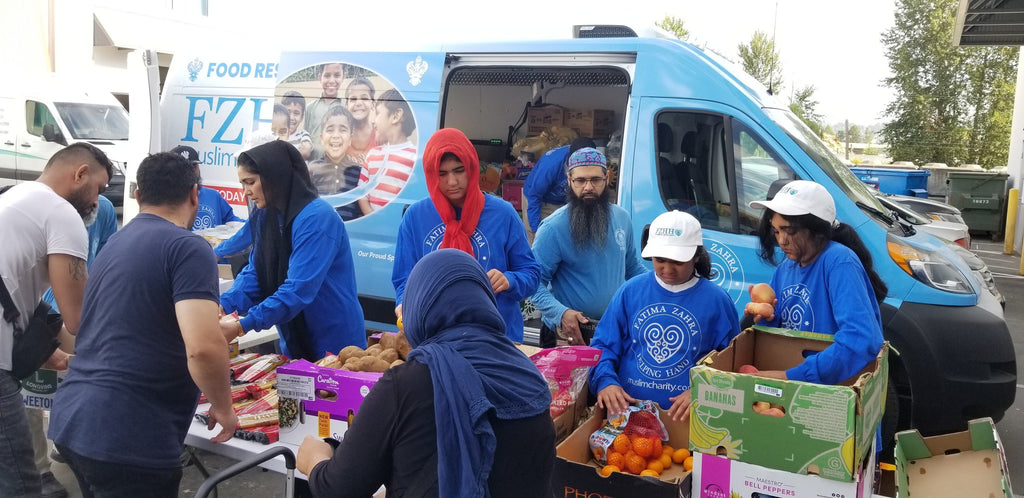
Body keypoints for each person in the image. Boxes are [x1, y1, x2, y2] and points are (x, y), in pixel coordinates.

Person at [47, 151, 236, 497]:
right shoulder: (188, 247)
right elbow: (204, 348)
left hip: (75, 422)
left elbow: (129, 320)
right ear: (195, 194)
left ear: (137, 196)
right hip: (130, 436)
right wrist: (223, 406)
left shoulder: (116, 242)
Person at [297, 249, 555, 497]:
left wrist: (314, 458)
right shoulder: (528, 374)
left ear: (420, 305)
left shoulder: (407, 384)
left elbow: (338, 488)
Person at [0, 142, 111, 497]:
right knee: (20, 482)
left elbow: (16, 297)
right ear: (80, 174)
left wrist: (51, 352)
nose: (97, 202)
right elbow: (79, 317)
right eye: (99, 188)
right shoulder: (62, 214)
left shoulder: (16, 198)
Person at [219, 140, 366, 361]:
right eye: (242, 184)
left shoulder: (316, 218)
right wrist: (223, 305)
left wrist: (243, 325)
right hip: (294, 337)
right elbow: (257, 272)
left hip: (335, 343)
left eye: (250, 182)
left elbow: (298, 289)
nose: (246, 192)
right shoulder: (267, 215)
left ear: (274, 177)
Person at [588, 210, 740, 421]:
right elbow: (603, 345)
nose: (667, 269)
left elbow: (733, 364)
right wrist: (606, 381)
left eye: (677, 261)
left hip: (690, 420)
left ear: (696, 256)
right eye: (659, 260)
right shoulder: (631, 291)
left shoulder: (717, 301)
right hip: (628, 413)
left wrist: (704, 391)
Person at [392, 128, 540, 343]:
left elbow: (532, 274)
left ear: (471, 168)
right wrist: (403, 304)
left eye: (459, 170)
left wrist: (509, 280)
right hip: (436, 340)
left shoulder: (503, 214)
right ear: (431, 175)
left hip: (498, 341)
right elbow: (404, 278)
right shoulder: (415, 217)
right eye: (442, 174)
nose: (452, 181)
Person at [744, 180, 887, 384]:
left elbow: (860, 339)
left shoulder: (839, 262)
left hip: (830, 393)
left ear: (817, 230)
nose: (782, 240)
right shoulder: (787, 267)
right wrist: (768, 318)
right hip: (795, 390)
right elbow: (785, 329)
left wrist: (790, 376)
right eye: (776, 231)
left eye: (789, 231)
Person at [31, 193, 117, 498]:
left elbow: (108, 252)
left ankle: (69, 444)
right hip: (37, 312)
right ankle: (39, 469)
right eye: (96, 184)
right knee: (31, 391)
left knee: (79, 382)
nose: (99, 194)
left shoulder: (102, 208)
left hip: (83, 313)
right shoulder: (41, 212)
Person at [530, 147, 647, 348]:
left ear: (607, 178)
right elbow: (532, 281)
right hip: (566, 334)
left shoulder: (622, 218)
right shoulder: (553, 227)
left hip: (611, 330)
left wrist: (663, 284)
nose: (588, 187)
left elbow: (632, 267)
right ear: (569, 180)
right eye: (581, 181)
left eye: (595, 180)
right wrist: (561, 313)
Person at [356, 88, 417, 215]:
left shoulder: (415, 158)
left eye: (378, 113)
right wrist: (373, 218)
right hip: (375, 227)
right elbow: (362, 193)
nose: (373, 121)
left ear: (396, 116)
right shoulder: (373, 155)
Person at [522, 137, 595, 235]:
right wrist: (535, 231)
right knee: (540, 238)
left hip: (564, 201)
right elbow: (534, 196)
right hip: (540, 200)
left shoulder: (593, 165)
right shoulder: (550, 165)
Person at [170, 145, 245, 232]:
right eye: (184, 168)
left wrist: (255, 223)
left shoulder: (213, 195)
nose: (190, 172)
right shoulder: (166, 202)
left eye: (193, 166)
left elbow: (232, 221)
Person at [308, 106, 363, 220]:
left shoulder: (358, 173)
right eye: (330, 130)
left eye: (343, 130)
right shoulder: (312, 170)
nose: (336, 136)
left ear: (350, 138)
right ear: (322, 138)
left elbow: (359, 212)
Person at [304, 63, 346, 160]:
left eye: (337, 75)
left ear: (343, 76)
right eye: (327, 75)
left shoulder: (346, 106)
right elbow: (305, 138)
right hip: (314, 167)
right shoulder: (310, 108)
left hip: (339, 167)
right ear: (320, 77)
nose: (331, 81)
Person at [344, 77, 377, 164]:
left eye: (364, 98)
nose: (358, 103)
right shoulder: (341, 136)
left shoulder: (381, 135)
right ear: (346, 106)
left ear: (373, 104)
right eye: (353, 99)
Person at [282, 90, 313, 160]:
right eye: (287, 112)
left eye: (296, 113)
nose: (291, 118)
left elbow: (306, 152)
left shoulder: (303, 135)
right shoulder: (274, 135)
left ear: (302, 117)